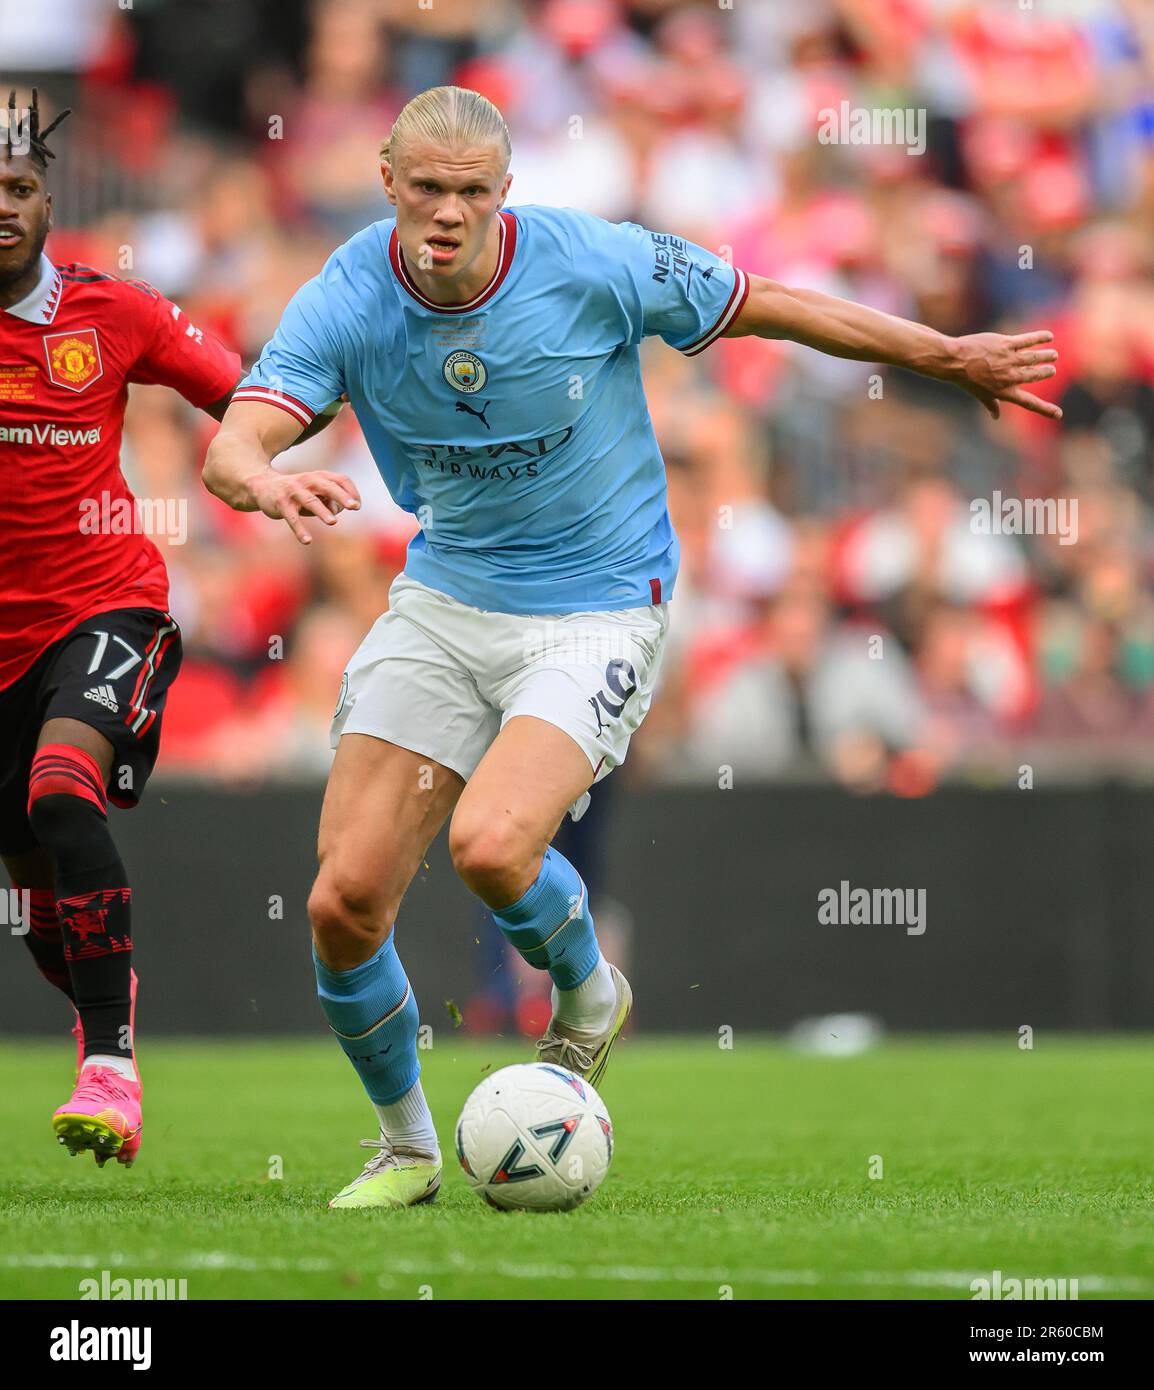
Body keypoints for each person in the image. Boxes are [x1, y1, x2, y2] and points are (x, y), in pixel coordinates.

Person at [203, 85, 1061, 1210]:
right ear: (387, 182)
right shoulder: (349, 292)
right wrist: (261, 480)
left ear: (504, 192)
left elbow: (771, 306)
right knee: (341, 901)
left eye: (471, 191)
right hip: (447, 596)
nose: (448, 212)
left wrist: (940, 352)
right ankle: (405, 1148)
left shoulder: (595, 261)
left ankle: (587, 990)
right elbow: (233, 442)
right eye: (427, 189)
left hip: (597, 602)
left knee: (492, 846)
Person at [0, 90, 242, 1169]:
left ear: (50, 200)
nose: (1, 207)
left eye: (17, 188)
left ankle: (111, 1065)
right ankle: (105, 990)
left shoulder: (117, 311)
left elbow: (246, 393)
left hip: (107, 606)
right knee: (42, 909)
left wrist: (274, 473)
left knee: (62, 790)